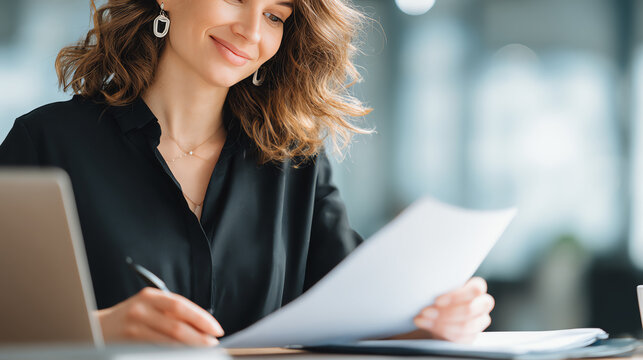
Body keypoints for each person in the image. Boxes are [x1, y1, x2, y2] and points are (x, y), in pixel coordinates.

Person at [0, 0, 494, 347]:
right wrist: (100, 328)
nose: (252, 32)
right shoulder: (47, 142)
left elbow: (354, 309)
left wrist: (428, 319)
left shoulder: (295, 163)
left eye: (275, 16)